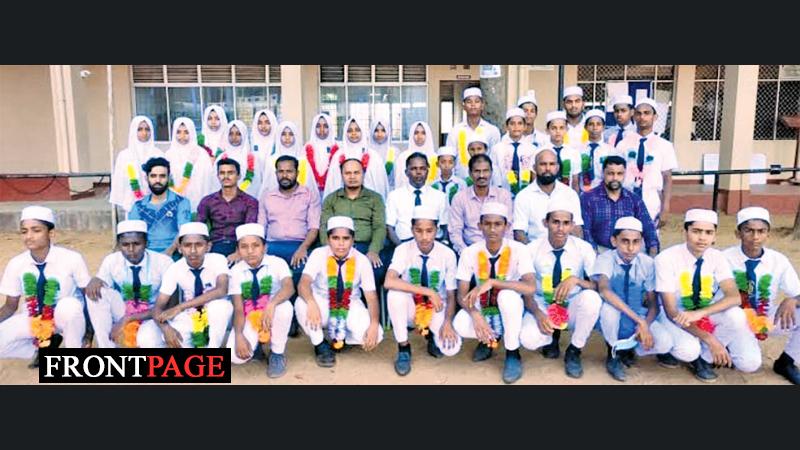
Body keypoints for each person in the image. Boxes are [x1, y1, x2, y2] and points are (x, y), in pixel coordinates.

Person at [655, 209, 760, 382]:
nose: (702, 238)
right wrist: (710, 339)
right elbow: (671, 311)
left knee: (736, 315)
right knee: (688, 351)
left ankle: (704, 358)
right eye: (696, 231)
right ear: (685, 232)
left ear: (714, 236)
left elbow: (734, 297)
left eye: (708, 232)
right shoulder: (666, 258)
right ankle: (685, 350)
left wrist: (700, 313)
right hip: (673, 314)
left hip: (702, 311)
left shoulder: (717, 257)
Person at [452, 202, 536, 384]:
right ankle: (488, 340)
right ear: (479, 226)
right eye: (487, 224)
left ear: (507, 226)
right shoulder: (469, 252)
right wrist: (475, 314)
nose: (492, 229)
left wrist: (493, 282)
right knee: (460, 323)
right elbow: (461, 294)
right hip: (483, 306)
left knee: (506, 296)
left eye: (498, 224)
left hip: (513, 308)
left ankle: (512, 353)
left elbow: (530, 287)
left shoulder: (519, 249)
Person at [0, 206, 91, 367]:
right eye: (24, 231)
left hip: (66, 318)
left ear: (51, 233)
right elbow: (9, 306)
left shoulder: (72, 259)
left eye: (36, 230)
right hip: (33, 318)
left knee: (69, 306)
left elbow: (89, 297)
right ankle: (43, 348)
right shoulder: (16, 264)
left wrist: (89, 334)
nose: (29, 236)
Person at [519, 203, 601, 379]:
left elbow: (599, 286)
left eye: (566, 223)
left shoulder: (584, 248)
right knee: (528, 339)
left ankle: (574, 350)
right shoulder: (530, 249)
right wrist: (538, 314)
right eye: (555, 222)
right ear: (545, 223)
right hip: (542, 303)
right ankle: (551, 338)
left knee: (592, 299)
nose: (561, 228)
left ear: (572, 225)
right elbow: (526, 289)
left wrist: (576, 280)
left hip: (572, 304)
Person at [722, 207, 800, 384]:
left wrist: (793, 300)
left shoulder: (778, 260)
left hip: (766, 316)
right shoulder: (724, 258)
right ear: (738, 233)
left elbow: (798, 292)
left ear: (768, 234)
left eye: (761, 231)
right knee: (749, 365)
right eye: (749, 230)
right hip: (736, 320)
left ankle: (786, 362)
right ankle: (729, 345)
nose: (755, 237)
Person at [592, 217, 674, 382]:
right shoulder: (605, 259)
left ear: (641, 242)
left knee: (665, 343)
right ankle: (613, 352)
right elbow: (605, 290)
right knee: (609, 311)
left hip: (637, 313)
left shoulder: (647, 263)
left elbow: (653, 305)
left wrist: (645, 324)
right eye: (625, 241)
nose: (630, 248)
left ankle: (631, 349)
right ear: (614, 241)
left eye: (636, 242)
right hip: (615, 313)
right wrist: (640, 321)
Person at [295, 216, 383, 367]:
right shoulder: (318, 254)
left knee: (377, 335)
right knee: (301, 304)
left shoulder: (362, 260)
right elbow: (304, 283)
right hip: (322, 301)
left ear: (353, 240)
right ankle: (320, 344)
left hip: (350, 303)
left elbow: (371, 297)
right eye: (335, 238)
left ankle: (341, 338)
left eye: (346, 238)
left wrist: (374, 324)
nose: (341, 243)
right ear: (328, 239)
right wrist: (311, 303)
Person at [385, 205, 461, 376]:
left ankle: (432, 337)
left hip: (437, 307)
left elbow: (451, 294)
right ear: (412, 230)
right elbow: (389, 280)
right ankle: (403, 348)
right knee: (394, 295)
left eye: (429, 231)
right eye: (419, 231)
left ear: (437, 230)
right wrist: (428, 291)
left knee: (451, 348)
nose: (424, 237)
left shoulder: (447, 254)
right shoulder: (402, 249)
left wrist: (448, 322)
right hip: (410, 306)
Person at [142, 222, 233, 348]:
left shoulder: (218, 259)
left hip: (219, 317)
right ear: (180, 248)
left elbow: (221, 290)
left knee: (219, 307)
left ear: (208, 246)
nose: (193, 251)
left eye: (199, 245)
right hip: (190, 314)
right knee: (177, 339)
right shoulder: (174, 268)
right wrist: (166, 328)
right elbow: (158, 307)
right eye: (187, 245)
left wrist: (180, 307)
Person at [84, 220, 173, 348]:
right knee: (97, 293)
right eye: (125, 245)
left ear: (146, 243)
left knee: (147, 341)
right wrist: (95, 280)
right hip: (124, 309)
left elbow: (168, 305)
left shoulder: (163, 262)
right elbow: (99, 284)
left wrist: (128, 319)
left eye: (136, 244)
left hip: (153, 314)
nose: (131, 250)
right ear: (119, 245)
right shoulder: (112, 260)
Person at [227, 223, 295, 378]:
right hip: (249, 314)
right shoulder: (235, 271)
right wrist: (239, 335)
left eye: (255, 245)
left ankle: (277, 353)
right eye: (244, 247)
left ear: (265, 247)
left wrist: (271, 304)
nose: (250, 251)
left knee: (285, 307)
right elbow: (238, 308)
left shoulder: (278, 263)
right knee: (234, 356)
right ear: (238, 250)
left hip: (273, 313)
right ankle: (256, 346)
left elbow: (289, 287)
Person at [258, 155, 321, 296]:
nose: (285, 175)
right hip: (272, 246)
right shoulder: (267, 196)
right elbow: (261, 227)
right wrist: (262, 249)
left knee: (302, 274)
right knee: (266, 275)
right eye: (281, 171)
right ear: (276, 173)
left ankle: (298, 307)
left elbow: (314, 227)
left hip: (300, 245)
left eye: (289, 171)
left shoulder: (309, 195)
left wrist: (303, 248)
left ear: (297, 173)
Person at [615, 98, 678, 229]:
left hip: (652, 201)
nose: (642, 117)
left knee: (651, 238)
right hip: (626, 200)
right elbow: (616, 174)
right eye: (638, 113)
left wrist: (665, 207)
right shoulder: (623, 144)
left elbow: (667, 178)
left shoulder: (664, 146)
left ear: (655, 117)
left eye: (647, 113)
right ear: (634, 116)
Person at [320, 158, 387, 282]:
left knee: (376, 270)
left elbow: (379, 227)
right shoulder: (331, 199)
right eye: (348, 173)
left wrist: (373, 251)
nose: (352, 177)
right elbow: (324, 227)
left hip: (365, 246)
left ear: (363, 174)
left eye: (356, 173)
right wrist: (330, 250)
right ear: (342, 175)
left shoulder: (375, 198)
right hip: (338, 246)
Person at [580, 155, 659, 255]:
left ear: (625, 174)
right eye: (610, 173)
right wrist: (594, 255)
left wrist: (653, 251)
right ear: (603, 173)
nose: (615, 178)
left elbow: (648, 227)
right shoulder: (588, 198)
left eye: (619, 174)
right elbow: (586, 231)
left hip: (629, 251)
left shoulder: (634, 199)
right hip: (600, 250)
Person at [512, 148, 583, 244]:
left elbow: (577, 229)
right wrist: (532, 251)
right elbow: (519, 233)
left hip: (566, 250)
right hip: (534, 249)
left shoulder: (570, 194)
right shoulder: (523, 196)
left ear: (557, 168)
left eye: (552, 164)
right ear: (534, 168)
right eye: (543, 164)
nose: (548, 168)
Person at [196, 158, 259, 263]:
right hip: (214, 245)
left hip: (239, 246)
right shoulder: (207, 201)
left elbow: (249, 230)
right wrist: (205, 246)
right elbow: (198, 228)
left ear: (238, 176)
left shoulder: (250, 201)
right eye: (222, 173)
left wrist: (239, 252)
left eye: (230, 173)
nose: (226, 176)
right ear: (218, 176)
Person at [128, 157, 192, 258]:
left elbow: (183, 231)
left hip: (174, 255)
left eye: (162, 176)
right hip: (145, 255)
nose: (158, 180)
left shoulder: (181, 202)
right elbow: (133, 235)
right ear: (146, 178)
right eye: (153, 176)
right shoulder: (138, 206)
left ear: (169, 178)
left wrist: (168, 253)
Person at [448, 154, 513, 254]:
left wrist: (503, 253)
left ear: (491, 172)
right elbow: (455, 231)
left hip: (499, 251)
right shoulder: (460, 198)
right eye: (477, 171)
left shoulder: (503, 196)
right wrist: (466, 253)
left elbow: (508, 229)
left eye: (485, 171)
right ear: (470, 173)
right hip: (469, 249)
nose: (481, 175)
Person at [386, 152, 448, 246]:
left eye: (422, 168)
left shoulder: (440, 197)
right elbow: (389, 227)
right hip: (403, 243)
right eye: (414, 168)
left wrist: (442, 246)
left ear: (427, 171)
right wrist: (401, 248)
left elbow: (445, 225)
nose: (418, 172)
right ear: (406, 172)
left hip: (434, 244)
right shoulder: (394, 196)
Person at [324, 117, 389, 201]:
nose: (353, 133)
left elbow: (380, 184)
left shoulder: (373, 155)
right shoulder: (338, 155)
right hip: (343, 202)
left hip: (368, 202)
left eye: (357, 130)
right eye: (350, 130)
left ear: (362, 131)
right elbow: (332, 184)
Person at [110, 116, 164, 214]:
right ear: (133, 131)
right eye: (140, 129)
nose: (144, 133)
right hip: (132, 204)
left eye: (147, 129)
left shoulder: (158, 154)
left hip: (156, 204)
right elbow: (119, 181)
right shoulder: (124, 155)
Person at [164, 117, 216, 212]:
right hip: (174, 203)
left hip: (198, 201)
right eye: (178, 132)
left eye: (186, 132)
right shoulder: (168, 155)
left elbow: (207, 180)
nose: (182, 136)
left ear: (192, 132)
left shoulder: (201, 154)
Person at [446, 87, 502, 170]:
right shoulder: (455, 131)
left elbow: (496, 159)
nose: (473, 105)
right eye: (469, 102)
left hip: (485, 176)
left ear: (482, 105)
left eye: (477, 101)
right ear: (464, 106)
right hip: (461, 176)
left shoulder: (492, 130)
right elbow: (450, 157)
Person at [260, 121, 318, 196]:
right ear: (278, 136)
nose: (287, 138)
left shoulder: (303, 161)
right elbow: (267, 186)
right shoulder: (271, 160)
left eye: (291, 134)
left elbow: (310, 187)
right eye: (283, 134)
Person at [492, 108, 538, 197]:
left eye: (520, 123)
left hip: (527, 194)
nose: (516, 127)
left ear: (525, 126)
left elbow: (534, 174)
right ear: (506, 126)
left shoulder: (532, 149)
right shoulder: (497, 149)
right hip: (503, 193)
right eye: (512, 123)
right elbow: (495, 172)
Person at [213, 120, 262, 198]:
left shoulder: (253, 158)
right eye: (231, 134)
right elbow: (215, 182)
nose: (234, 137)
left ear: (244, 135)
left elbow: (257, 182)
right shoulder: (221, 158)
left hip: (248, 200)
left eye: (238, 134)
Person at [545, 111, 582, 193]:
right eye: (554, 128)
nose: (558, 131)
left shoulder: (574, 153)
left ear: (567, 129)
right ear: (547, 130)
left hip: (567, 196)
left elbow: (575, 182)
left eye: (561, 128)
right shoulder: (540, 152)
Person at [580, 109, 616, 192]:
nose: (595, 128)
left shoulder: (611, 151)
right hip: (583, 192)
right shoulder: (578, 150)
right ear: (585, 127)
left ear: (603, 127)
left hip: (604, 192)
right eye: (591, 124)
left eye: (598, 124)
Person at [394, 121, 438, 189]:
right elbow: (398, 182)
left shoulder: (435, 158)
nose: (419, 136)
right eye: (416, 133)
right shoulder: (402, 157)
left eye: (423, 133)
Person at [304, 113, 339, 194]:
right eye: (318, 126)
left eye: (325, 126)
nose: (322, 129)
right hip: (311, 189)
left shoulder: (337, 147)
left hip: (332, 188)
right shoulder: (307, 147)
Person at [369, 117, 399, 189]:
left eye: (383, 130)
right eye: (376, 130)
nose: (379, 134)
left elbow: (397, 176)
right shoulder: (367, 152)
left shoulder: (394, 152)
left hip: (390, 189)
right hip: (371, 189)